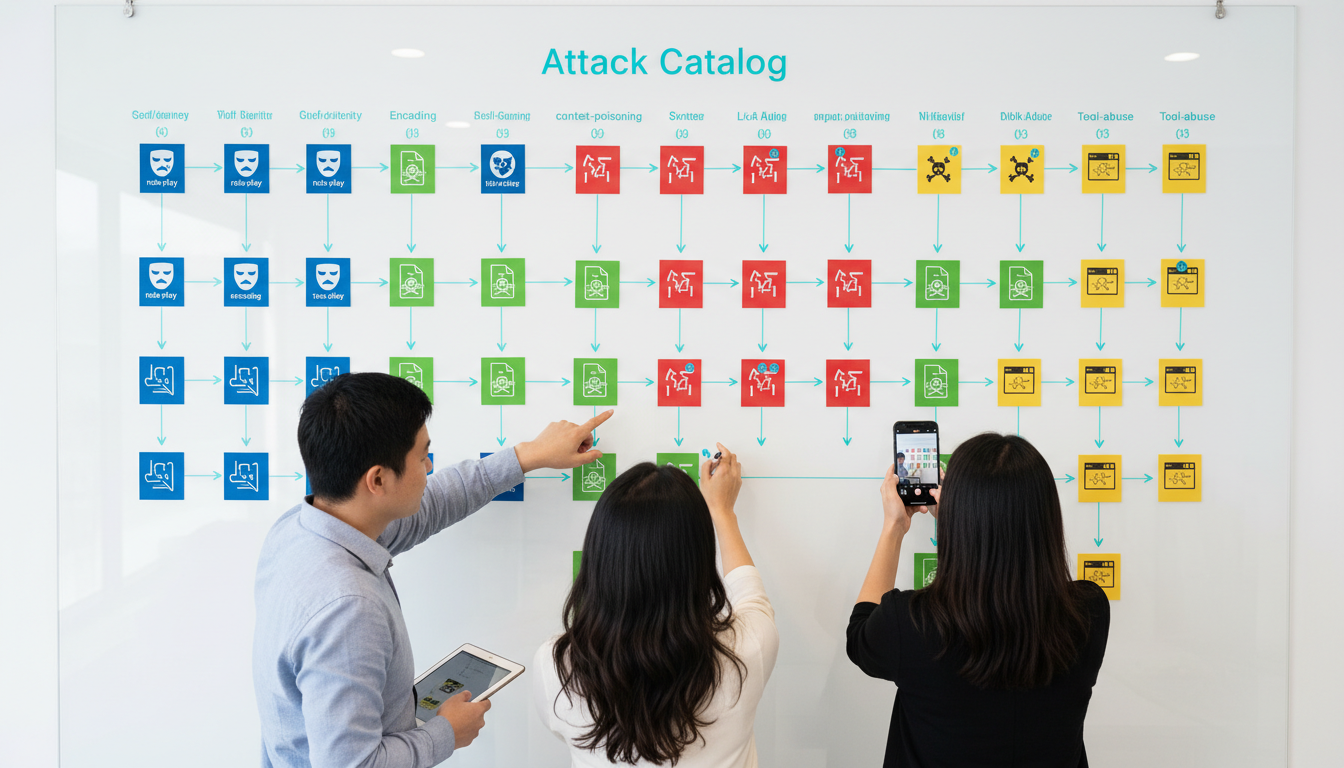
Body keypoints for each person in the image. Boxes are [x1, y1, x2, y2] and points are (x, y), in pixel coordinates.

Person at [253, 372, 613, 768]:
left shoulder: (303, 529)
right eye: (422, 456)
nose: (428, 466)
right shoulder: (348, 608)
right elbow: (351, 764)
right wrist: (445, 733)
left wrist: (528, 456)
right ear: (378, 479)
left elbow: (434, 503)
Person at [847, 433, 1110, 768]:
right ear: (1047, 516)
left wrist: (895, 527)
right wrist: (967, 524)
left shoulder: (911, 623)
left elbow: (860, 633)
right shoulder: (1088, 612)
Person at [533, 444, 778, 767]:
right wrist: (722, 511)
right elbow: (749, 593)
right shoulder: (746, 650)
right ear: (699, 562)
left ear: (600, 558)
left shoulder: (557, 667)